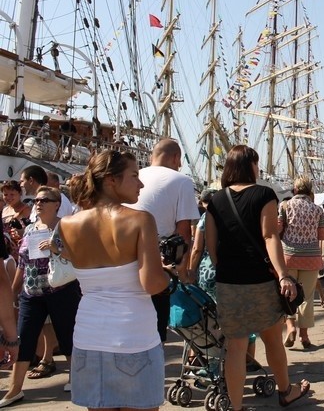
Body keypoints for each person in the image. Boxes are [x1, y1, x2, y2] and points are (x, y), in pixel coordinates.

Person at [56, 150, 169, 410]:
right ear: (110, 180)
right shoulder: (140, 220)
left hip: (88, 337)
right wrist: (170, 275)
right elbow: (151, 283)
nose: (140, 184)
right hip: (132, 337)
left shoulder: (68, 224)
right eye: (134, 176)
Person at [205, 145, 311, 409]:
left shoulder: (216, 200)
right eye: (256, 163)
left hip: (228, 282)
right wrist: (283, 274)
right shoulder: (264, 194)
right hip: (260, 280)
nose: (259, 168)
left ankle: (236, 406)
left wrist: (225, 266)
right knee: (272, 340)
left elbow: (210, 243)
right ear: (248, 166)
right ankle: (286, 391)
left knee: (236, 348)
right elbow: (269, 235)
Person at [0, 186, 81, 407]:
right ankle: (15, 388)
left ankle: (75, 378)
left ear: (57, 204)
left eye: (45, 200)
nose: (39, 203)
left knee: (67, 335)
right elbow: (23, 264)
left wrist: (57, 249)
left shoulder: (66, 227)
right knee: (24, 337)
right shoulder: (29, 230)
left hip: (61, 289)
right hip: (32, 291)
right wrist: (15, 291)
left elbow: (80, 256)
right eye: (36, 200)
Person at [125, 138, 200, 342]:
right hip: (158, 261)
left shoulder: (134, 178)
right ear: (176, 157)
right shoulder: (182, 181)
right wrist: (182, 270)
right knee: (155, 325)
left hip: (124, 256)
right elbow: (183, 230)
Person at [279, 176, 324, 349]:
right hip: (311, 257)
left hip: (288, 256)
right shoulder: (318, 210)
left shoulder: (285, 206)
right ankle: (304, 336)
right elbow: (322, 235)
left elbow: (277, 230)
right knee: (306, 297)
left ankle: (290, 326)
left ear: (295, 189)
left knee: (288, 294)